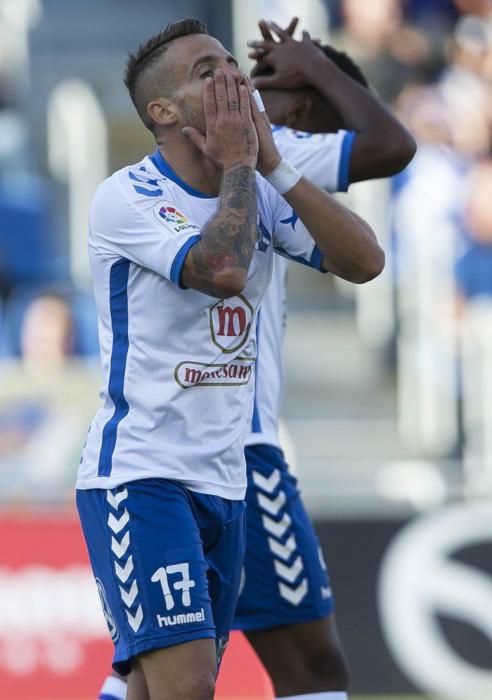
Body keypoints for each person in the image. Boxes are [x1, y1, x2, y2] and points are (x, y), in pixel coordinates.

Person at [95, 18, 413, 700]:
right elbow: (224, 268)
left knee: (152, 686)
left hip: (226, 477)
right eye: (208, 72)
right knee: (186, 688)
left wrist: (271, 164)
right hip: (146, 472)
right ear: (164, 111)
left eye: (230, 64)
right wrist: (246, 163)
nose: (233, 77)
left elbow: (366, 260)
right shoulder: (129, 196)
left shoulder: (266, 175)